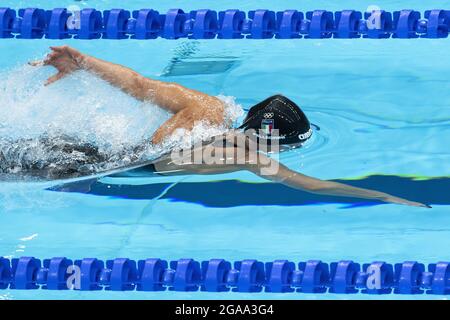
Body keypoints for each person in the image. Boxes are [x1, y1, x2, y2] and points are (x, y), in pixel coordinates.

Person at [24, 45, 429, 208]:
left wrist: (86, 63)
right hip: (78, 169)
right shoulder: (250, 158)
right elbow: (314, 187)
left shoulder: (209, 108)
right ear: (271, 142)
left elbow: (140, 85)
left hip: (73, 147)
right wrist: (384, 196)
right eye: (285, 148)